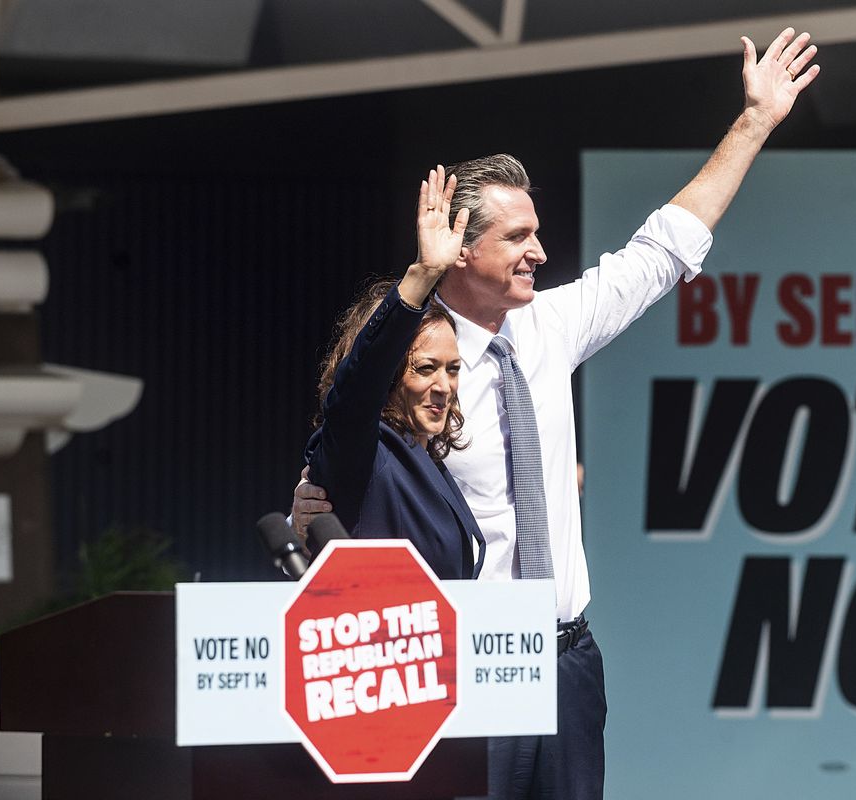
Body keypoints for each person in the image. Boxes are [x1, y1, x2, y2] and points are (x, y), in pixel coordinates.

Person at [294, 28, 820, 799]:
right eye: (518, 237)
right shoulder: (414, 371)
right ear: (460, 252)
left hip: (567, 660)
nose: (541, 251)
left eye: (538, 232)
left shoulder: (550, 327)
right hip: (465, 662)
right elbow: (348, 414)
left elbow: (664, 249)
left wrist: (756, 121)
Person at [303, 165, 484, 580]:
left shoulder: (426, 459)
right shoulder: (363, 451)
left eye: (453, 369)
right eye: (424, 368)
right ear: (389, 377)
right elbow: (357, 388)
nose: (444, 386)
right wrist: (423, 275)